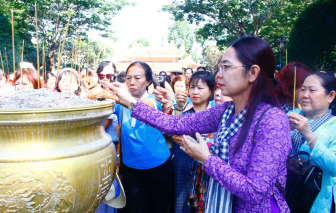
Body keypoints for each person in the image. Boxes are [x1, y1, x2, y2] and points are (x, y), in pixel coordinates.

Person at [109, 37, 292, 213]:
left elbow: (255, 191)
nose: (219, 74)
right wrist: (131, 102)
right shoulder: (226, 111)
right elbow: (174, 124)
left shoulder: (273, 121)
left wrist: (207, 159)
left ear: (252, 73)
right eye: (219, 67)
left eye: (226, 67)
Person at [108, 61, 174, 213]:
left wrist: (118, 96)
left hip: (158, 166)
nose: (132, 82)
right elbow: (119, 130)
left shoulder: (154, 100)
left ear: (148, 81)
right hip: (131, 168)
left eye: (137, 78)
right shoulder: (119, 104)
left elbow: (140, 106)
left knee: (160, 208)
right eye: (129, 78)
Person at [159, 71, 215, 213]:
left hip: (206, 170)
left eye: (201, 88)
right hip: (181, 166)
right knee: (181, 204)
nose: (195, 91)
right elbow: (171, 130)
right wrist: (178, 107)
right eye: (192, 87)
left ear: (211, 90)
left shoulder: (216, 113)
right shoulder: (181, 108)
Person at [287, 72, 336, 212]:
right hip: (282, 193)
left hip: (313, 202)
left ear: (330, 96)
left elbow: (334, 167)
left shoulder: (334, 126)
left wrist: (309, 135)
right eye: (303, 89)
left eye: (312, 90)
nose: (305, 95)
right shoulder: (289, 115)